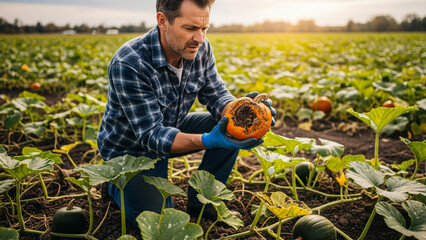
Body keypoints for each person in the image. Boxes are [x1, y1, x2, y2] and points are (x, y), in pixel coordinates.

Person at [97, 0, 276, 226]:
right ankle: (115, 185)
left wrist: (242, 109)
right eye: (191, 28)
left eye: (204, 28)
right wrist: (208, 140)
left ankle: (203, 203)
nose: (200, 38)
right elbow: (151, 136)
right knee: (162, 223)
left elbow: (216, 94)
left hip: (171, 129)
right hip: (131, 152)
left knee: (228, 125)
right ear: (163, 21)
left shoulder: (199, 48)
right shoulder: (130, 62)